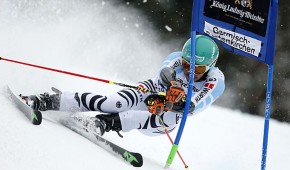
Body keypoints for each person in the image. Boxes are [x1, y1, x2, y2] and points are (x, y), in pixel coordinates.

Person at [28, 35, 225, 137]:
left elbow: (195, 104)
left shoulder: (216, 81)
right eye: (186, 64)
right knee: (113, 102)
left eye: (197, 68)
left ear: (210, 67)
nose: (190, 70)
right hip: (151, 91)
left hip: (165, 118)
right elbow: (164, 72)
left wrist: (177, 102)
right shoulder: (176, 58)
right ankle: (50, 100)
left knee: (161, 116)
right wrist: (169, 85)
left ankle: (104, 123)